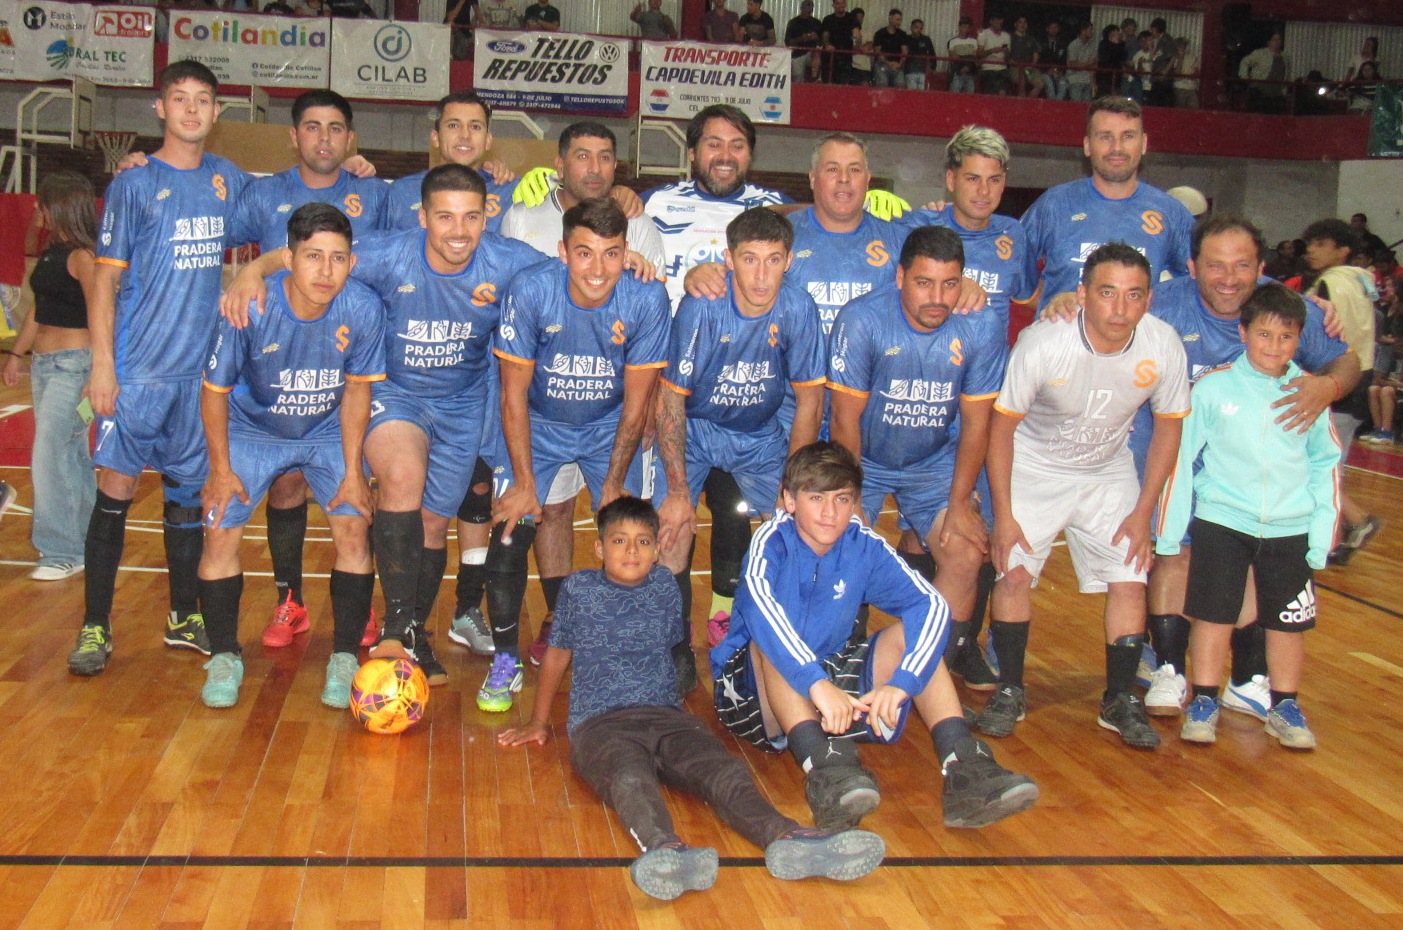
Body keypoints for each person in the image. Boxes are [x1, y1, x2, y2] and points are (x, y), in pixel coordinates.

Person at [499, 496, 885, 900]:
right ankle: (664, 849)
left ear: (657, 549)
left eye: (643, 542)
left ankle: (787, 836)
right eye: (619, 541)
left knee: (724, 769)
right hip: (601, 725)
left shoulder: (665, 586)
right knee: (629, 779)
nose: (632, 551)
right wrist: (538, 721)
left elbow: (670, 644)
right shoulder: (580, 589)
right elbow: (557, 654)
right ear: (598, 548)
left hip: (668, 718)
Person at [710, 441, 1038, 830]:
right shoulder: (771, 541)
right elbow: (763, 616)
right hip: (751, 692)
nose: (830, 513)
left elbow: (931, 606)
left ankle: (963, 765)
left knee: (913, 634)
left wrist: (903, 683)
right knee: (770, 642)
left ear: (855, 502)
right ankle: (825, 772)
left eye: (842, 499)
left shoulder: (861, 544)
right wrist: (817, 684)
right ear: (789, 500)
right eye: (816, 498)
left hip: (827, 676)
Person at [1121, 216, 1356, 720]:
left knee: (1252, 562)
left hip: (1246, 470)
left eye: (1242, 265)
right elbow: (1104, 312)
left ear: (1261, 266)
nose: (1229, 278)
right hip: (1171, 456)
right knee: (1175, 554)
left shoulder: (1286, 308)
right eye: (1215, 265)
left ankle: (1247, 679)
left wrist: (1328, 386)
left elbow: (1347, 361)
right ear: (1192, 267)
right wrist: (1063, 300)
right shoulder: (1162, 303)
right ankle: (1169, 669)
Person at [67, 60, 251, 677]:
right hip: (138, 373)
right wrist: (103, 365)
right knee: (115, 495)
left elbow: (288, 202)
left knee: (186, 500)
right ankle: (95, 623)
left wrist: (355, 167)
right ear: (160, 108)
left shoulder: (227, 178)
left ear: (217, 112)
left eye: (203, 100)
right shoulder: (135, 184)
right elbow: (104, 281)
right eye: (180, 98)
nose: (191, 110)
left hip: (196, 380)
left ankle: (183, 615)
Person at [984, 244, 1190, 749]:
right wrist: (1004, 515)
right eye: (1107, 292)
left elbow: (1169, 430)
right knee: (1013, 573)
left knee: (1130, 579)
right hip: (1033, 467)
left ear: (1148, 300)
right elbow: (1000, 430)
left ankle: (1119, 698)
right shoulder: (1043, 343)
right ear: (1082, 295)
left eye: (1134, 295)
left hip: (1107, 471)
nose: (1120, 308)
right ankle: (1009, 688)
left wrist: (1143, 512)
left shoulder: (1162, 344)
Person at [485, 198, 671, 713]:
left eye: (612, 254)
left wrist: (613, 484)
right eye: (585, 253)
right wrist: (525, 484)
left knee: (632, 534)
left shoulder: (646, 297)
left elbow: (636, 405)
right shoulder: (532, 290)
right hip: (538, 423)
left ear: (626, 253)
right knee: (511, 530)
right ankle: (505, 660)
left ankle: (632, 656)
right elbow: (513, 396)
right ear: (563, 251)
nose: (598, 269)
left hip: (609, 426)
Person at [196, 203, 384, 709]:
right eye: (313, 256)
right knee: (219, 530)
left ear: (351, 263)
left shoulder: (362, 308)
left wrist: (353, 472)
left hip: (326, 429)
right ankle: (224, 656)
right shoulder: (251, 306)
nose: (326, 271)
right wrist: (220, 470)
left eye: (338, 258)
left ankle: (344, 656)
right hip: (253, 430)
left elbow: (357, 391)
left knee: (353, 526)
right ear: (289, 258)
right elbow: (214, 391)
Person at [226, 89, 388, 647]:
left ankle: (360, 609)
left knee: (356, 496)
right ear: (294, 136)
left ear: (351, 138)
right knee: (286, 485)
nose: (324, 138)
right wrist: (253, 270)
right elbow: (202, 225)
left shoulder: (372, 193)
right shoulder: (263, 194)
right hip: (277, 369)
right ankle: (288, 600)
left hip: (348, 361)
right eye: (313, 127)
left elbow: (435, 223)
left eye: (335, 127)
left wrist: (495, 175)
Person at [641, 106, 792, 686]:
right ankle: (671, 641)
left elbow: (837, 221)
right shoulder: (656, 206)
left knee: (735, 512)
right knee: (671, 521)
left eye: (737, 144)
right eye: (713, 143)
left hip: (748, 396)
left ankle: (730, 622)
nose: (724, 155)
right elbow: (620, 254)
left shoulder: (775, 209)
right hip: (675, 392)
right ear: (692, 152)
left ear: (751, 153)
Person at [1157, 283, 1340, 750]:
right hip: (1222, 522)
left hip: (1291, 528)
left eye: (1286, 337)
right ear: (1243, 332)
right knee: (1213, 616)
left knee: (1286, 625)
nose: (1274, 347)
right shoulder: (1213, 388)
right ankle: (1204, 699)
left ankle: (1285, 705)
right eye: (1264, 334)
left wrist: (1321, 534)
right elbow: (1180, 462)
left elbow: (1325, 464)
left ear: (1299, 339)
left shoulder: (1308, 394)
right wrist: (1169, 533)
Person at [828, 224, 1007, 700]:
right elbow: (845, 420)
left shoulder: (981, 324)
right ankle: (841, 656)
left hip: (933, 461)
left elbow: (977, 423)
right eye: (924, 283)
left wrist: (960, 502)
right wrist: (850, 496)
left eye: (950, 284)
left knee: (966, 552)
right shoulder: (862, 319)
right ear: (900, 276)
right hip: (864, 458)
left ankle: (927, 672)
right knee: (840, 541)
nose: (938, 298)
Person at [654, 208, 825, 636]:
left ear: (789, 261)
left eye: (773, 260)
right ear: (729, 260)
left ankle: (772, 637)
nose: (761, 276)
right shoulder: (702, 307)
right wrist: (677, 492)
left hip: (758, 436)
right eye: (749, 259)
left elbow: (810, 402)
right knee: (671, 529)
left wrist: (793, 487)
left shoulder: (799, 308)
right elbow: (671, 400)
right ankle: (674, 646)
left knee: (797, 531)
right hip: (695, 431)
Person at [2, 172, 97, 582]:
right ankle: (89, 542)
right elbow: (38, 311)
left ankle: (61, 550)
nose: (36, 209)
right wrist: (16, 355)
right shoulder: (51, 254)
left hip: (75, 367)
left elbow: (102, 313)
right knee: (69, 453)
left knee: (48, 454)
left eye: (42, 203)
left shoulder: (84, 258)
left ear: (60, 206)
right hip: (44, 367)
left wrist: (101, 371)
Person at [1021, 96, 1194, 313]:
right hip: (1063, 333)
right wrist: (1049, 303)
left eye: (1128, 136)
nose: (1117, 148)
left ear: (1143, 144)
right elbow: (1011, 267)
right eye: (1105, 137)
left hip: (1136, 335)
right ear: (1087, 145)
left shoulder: (1171, 213)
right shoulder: (1054, 205)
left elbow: (1199, 283)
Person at [1301, 219, 1380, 564]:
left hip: (1339, 380)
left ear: (1342, 250)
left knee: (1315, 464)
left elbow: (1315, 334)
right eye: (1310, 243)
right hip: (1361, 376)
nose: (1310, 250)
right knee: (1324, 464)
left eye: (1321, 244)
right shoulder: (1361, 281)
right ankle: (1341, 531)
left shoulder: (1328, 284)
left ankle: (1351, 524)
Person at [1239, 33, 1288, 113]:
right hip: (1260, 92)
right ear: (1269, 42)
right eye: (1274, 40)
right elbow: (1245, 62)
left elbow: (1286, 72)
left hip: (1276, 94)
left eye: (1279, 40)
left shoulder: (1285, 57)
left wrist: (1284, 88)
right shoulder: (1260, 53)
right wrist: (1244, 76)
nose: (1277, 42)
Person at [784, 0, 822, 82]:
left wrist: (816, 37)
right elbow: (787, 42)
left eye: (811, 6)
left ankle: (814, 79)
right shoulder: (793, 23)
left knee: (817, 56)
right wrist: (802, 38)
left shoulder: (817, 23)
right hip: (797, 54)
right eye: (807, 6)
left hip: (811, 52)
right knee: (797, 78)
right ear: (801, 7)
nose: (809, 8)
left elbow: (821, 42)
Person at [821, 0, 857, 85]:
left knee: (842, 84)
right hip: (830, 56)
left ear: (845, 4)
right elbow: (825, 35)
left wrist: (855, 42)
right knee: (828, 83)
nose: (840, 5)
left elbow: (856, 33)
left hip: (845, 57)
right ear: (833, 5)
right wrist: (827, 45)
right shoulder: (828, 19)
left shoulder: (851, 18)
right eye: (837, 3)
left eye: (842, 3)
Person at [870, 9, 906, 89]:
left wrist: (899, 64)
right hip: (882, 64)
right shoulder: (880, 33)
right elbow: (877, 52)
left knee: (900, 86)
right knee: (882, 85)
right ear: (890, 18)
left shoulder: (902, 34)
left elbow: (905, 51)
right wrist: (888, 63)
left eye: (900, 20)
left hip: (897, 65)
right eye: (897, 20)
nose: (899, 22)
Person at [1008, 16, 1043, 97]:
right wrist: (1017, 65)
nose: (1022, 24)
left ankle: (1029, 100)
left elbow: (1036, 55)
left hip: (1028, 68)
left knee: (1040, 84)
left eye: (1024, 22)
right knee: (1022, 83)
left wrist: (1031, 65)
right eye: (1020, 22)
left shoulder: (1031, 39)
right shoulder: (1009, 38)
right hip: (1015, 67)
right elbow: (1007, 56)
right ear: (1015, 24)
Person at [976, 14, 1010, 95]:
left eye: (1000, 20)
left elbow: (1008, 58)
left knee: (1002, 93)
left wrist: (1006, 52)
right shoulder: (983, 33)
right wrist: (992, 51)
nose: (999, 22)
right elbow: (979, 54)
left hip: (1002, 68)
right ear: (991, 21)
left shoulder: (1006, 36)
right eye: (996, 20)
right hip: (987, 68)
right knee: (990, 94)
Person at [1064, 21, 1096, 102]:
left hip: (1088, 80)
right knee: (1076, 104)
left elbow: (1094, 64)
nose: (1092, 32)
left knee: (1087, 105)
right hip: (1075, 80)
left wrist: (1092, 82)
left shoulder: (1092, 45)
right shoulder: (1073, 45)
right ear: (1083, 31)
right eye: (1090, 29)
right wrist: (1089, 63)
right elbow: (1074, 65)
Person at [1147, 18, 1176, 106]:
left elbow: (1173, 56)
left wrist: (1166, 70)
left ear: (1156, 29)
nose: (1151, 32)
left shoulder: (1167, 40)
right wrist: (1150, 46)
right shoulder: (1159, 40)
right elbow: (1154, 58)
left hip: (1163, 78)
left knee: (1161, 102)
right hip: (1157, 76)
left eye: (1152, 29)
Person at [946, 16, 978, 94]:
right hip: (957, 72)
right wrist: (968, 58)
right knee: (954, 96)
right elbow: (954, 57)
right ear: (959, 27)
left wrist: (966, 63)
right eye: (963, 27)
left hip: (970, 73)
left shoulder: (974, 41)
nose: (965, 29)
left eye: (967, 27)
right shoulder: (952, 41)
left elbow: (974, 57)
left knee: (970, 97)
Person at [903, 18, 934, 89]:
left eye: (921, 28)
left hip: (923, 71)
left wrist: (932, 67)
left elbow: (932, 53)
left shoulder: (926, 39)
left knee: (922, 92)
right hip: (910, 71)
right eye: (916, 27)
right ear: (911, 27)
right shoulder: (906, 39)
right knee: (912, 92)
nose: (918, 30)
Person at [1096, 25, 1125, 97]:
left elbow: (1123, 57)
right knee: (1104, 97)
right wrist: (1114, 44)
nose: (1119, 34)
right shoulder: (1103, 44)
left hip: (1117, 77)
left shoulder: (1121, 44)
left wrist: (1118, 43)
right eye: (1116, 32)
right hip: (1105, 77)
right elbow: (1106, 58)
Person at [1172, 37, 1199, 109]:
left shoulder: (1193, 57)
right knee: (1180, 109)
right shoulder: (1174, 58)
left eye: (1184, 46)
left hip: (1191, 88)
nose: (1182, 48)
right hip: (1179, 87)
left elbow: (1196, 73)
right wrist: (1180, 58)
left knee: (1193, 109)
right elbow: (1177, 73)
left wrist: (1186, 76)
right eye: (1180, 46)